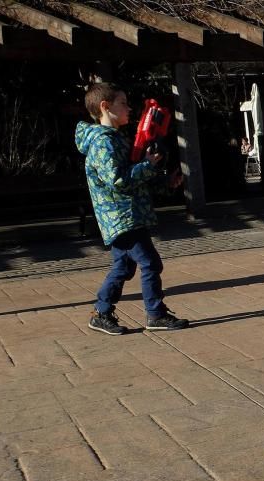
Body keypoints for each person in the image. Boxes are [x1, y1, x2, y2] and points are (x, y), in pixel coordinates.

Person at [75, 82, 187, 335]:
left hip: (126, 215)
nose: (129, 108)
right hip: (121, 216)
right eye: (123, 103)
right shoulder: (103, 143)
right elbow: (118, 181)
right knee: (150, 263)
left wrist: (164, 181)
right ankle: (155, 314)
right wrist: (148, 166)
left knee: (123, 267)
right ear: (105, 107)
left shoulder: (117, 139)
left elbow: (135, 179)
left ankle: (101, 313)